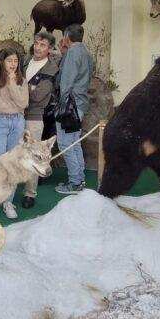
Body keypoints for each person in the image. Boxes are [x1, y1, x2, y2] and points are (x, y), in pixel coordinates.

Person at [0, 48, 29, 219]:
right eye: (9, 60)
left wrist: (12, 84)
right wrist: (14, 105)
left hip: (18, 122)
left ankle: (8, 202)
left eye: (15, 61)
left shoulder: (21, 80)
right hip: (0, 122)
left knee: (13, 164)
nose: (13, 64)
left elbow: (23, 103)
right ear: (2, 62)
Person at [54, 24, 94, 194]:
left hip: (70, 105)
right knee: (74, 142)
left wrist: (61, 104)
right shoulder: (86, 53)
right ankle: (79, 179)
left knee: (65, 143)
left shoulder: (72, 52)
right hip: (80, 103)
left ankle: (75, 182)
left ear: (67, 37)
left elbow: (66, 83)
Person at [21, 31, 59, 208]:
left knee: (34, 157)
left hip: (34, 117)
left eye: (43, 45)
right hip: (16, 115)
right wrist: (28, 88)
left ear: (49, 49)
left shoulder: (51, 69)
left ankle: (30, 193)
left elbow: (38, 96)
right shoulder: (25, 61)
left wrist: (18, 88)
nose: (37, 47)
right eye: (36, 43)